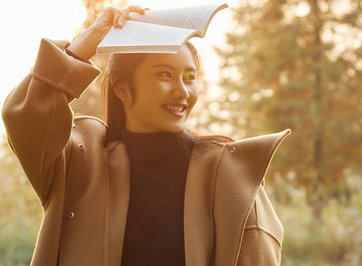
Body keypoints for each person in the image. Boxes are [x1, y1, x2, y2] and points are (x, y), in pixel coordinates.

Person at [2, 5, 290, 266]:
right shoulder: (79, 160)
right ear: (121, 89)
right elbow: (25, 117)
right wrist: (85, 44)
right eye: (165, 74)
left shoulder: (230, 172)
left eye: (189, 77)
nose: (182, 91)